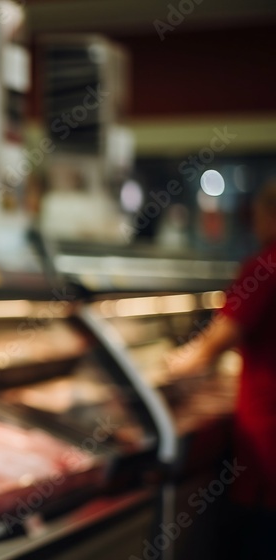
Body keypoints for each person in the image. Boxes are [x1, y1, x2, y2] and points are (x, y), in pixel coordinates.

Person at [167, 180, 276, 559]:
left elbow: (209, 348)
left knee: (261, 534)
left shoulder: (264, 267)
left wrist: (167, 370)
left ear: (268, 216)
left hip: (267, 427)